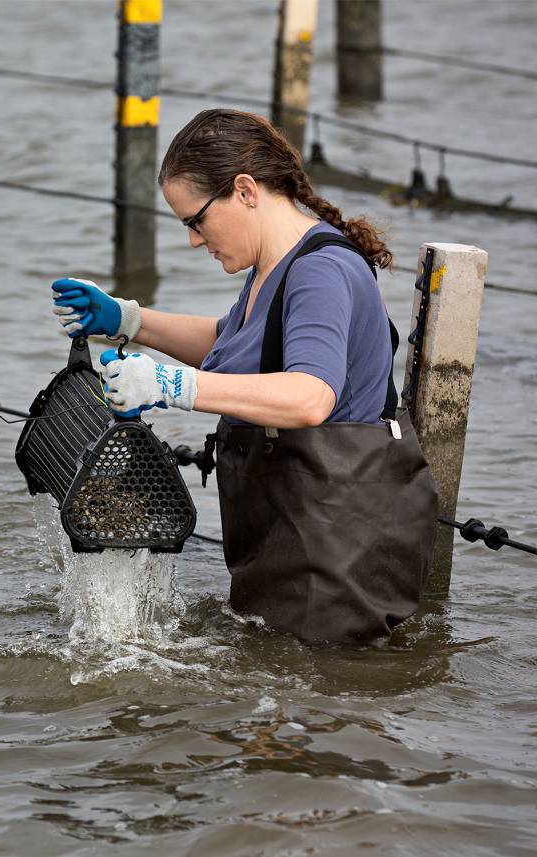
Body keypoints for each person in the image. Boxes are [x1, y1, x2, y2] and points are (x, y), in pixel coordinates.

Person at [50, 109, 437, 645]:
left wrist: (173, 388)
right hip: (294, 533)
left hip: (333, 543)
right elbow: (231, 345)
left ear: (245, 190)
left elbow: (309, 397)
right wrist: (129, 320)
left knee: (316, 702)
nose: (192, 239)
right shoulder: (272, 264)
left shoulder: (320, 270)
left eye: (196, 220)